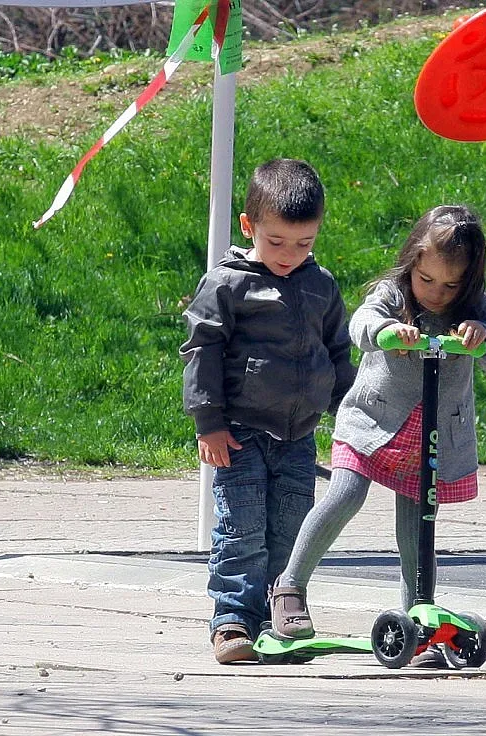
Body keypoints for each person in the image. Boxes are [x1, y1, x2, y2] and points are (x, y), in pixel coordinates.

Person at [270, 204, 486, 667]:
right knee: (345, 495)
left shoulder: (473, 308)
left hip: (430, 441)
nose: (437, 293)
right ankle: (289, 587)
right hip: (371, 425)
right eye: (427, 280)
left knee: (418, 532)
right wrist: (386, 332)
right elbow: (360, 325)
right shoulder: (393, 293)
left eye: (451, 285)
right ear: (412, 264)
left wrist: (483, 336)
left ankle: (418, 623)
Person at [180, 158, 356, 664]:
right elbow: (201, 351)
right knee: (242, 527)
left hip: (298, 435)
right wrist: (208, 421)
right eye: (276, 242)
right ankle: (232, 618)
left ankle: (277, 617)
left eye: (303, 243)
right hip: (238, 432)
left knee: (291, 527)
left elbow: (338, 353)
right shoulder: (228, 285)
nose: (289, 255)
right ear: (248, 227)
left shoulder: (321, 285)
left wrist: (351, 413)